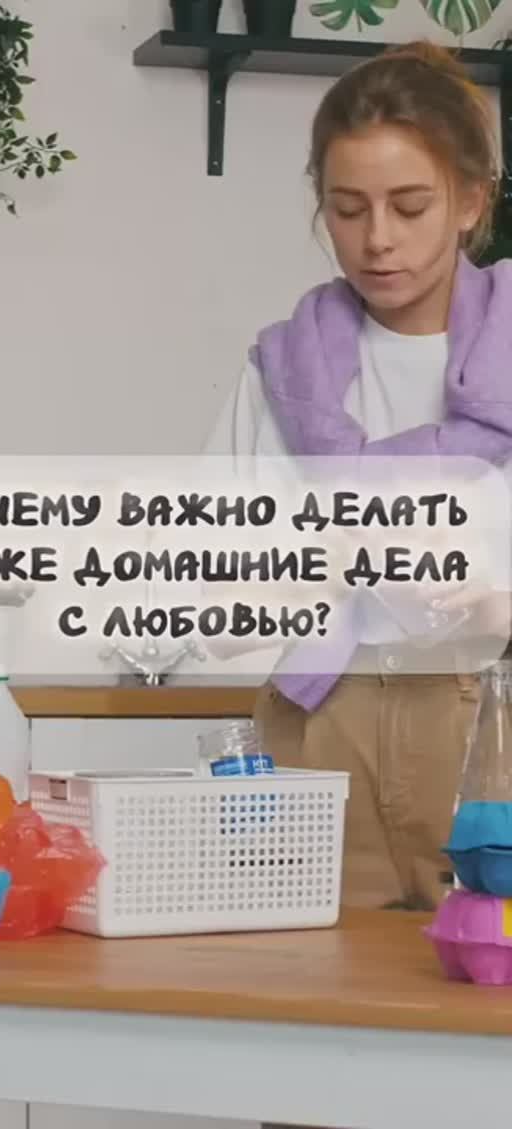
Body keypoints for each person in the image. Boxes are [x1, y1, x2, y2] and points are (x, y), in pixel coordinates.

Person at [203, 39, 512, 914]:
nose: (377, 239)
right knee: (302, 980)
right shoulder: (279, 373)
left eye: (410, 206)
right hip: (316, 725)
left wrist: (498, 606)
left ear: (471, 201)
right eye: (348, 208)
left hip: (490, 729)